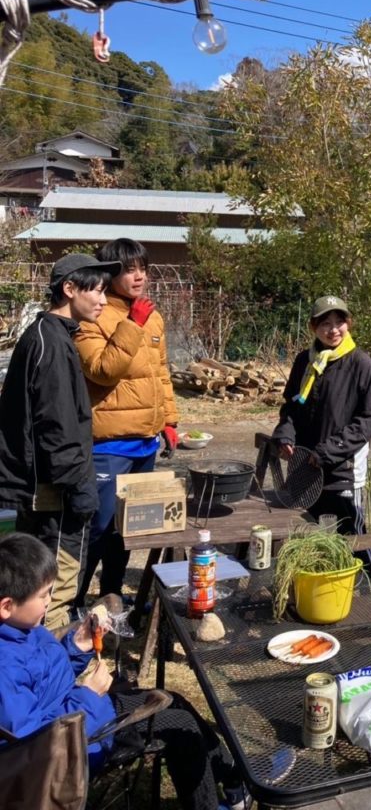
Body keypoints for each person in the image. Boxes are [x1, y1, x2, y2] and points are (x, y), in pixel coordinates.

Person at [0, 533, 250, 810]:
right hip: (75, 748)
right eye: (43, 594)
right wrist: (89, 695)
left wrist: (78, 646)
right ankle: (217, 800)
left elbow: (46, 681)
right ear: (7, 606)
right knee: (182, 726)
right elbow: (33, 746)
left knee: (175, 700)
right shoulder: (4, 667)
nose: (49, 601)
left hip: (84, 715)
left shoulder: (23, 631)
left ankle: (233, 778)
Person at [0, 253, 120, 629]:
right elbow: (57, 425)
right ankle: (50, 673)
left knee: (33, 581)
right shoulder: (50, 343)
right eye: (96, 291)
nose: (103, 300)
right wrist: (80, 490)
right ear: (69, 289)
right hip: (55, 491)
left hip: (46, 487)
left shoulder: (47, 335)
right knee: (55, 584)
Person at [74, 238, 179, 607]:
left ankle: (111, 596)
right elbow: (103, 371)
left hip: (145, 442)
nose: (139, 276)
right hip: (108, 443)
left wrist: (168, 420)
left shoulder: (153, 315)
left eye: (143, 268)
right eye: (129, 269)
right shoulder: (93, 317)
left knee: (127, 529)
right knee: (97, 528)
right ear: (110, 273)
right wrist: (131, 324)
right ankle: (68, 605)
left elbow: (160, 374)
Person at [272, 295, 371, 581]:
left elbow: (370, 418)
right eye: (326, 323)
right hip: (305, 468)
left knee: (355, 544)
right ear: (314, 327)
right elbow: (292, 407)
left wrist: (328, 451)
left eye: (339, 322)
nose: (333, 330)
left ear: (348, 324)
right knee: (312, 539)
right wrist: (285, 433)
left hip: (342, 471)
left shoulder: (361, 363)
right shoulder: (304, 361)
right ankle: (323, 593)